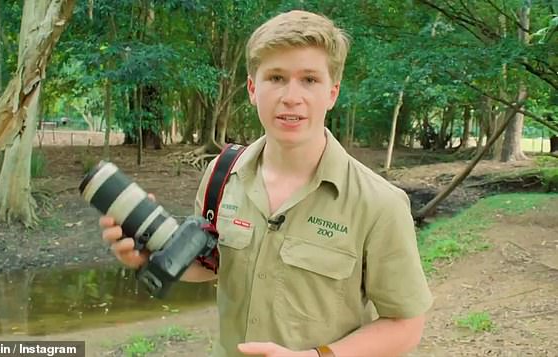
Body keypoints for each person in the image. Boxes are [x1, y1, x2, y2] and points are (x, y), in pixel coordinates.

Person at [100, 10, 432, 357]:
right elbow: (211, 266)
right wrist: (147, 256)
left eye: (309, 80)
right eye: (276, 77)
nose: (291, 96)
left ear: (332, 93)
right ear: (252, 88)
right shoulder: (221, 175)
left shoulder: (379, 203)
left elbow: (406, 326)